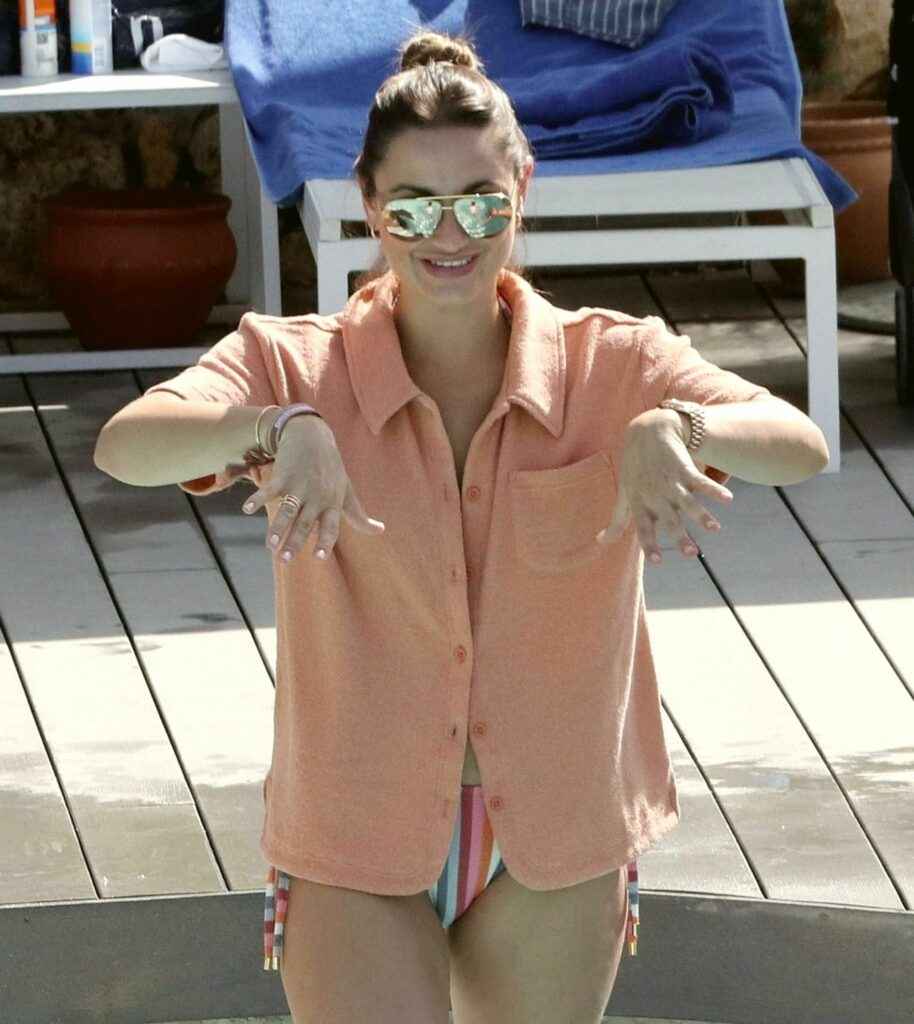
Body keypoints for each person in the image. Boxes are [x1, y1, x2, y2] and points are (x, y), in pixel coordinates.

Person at [93, 27, 830, 1024]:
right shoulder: (292, 362)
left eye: (481, 201)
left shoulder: (613, 363)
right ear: (370, 207)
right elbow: (127, 445)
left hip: (558, 836)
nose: (450, 233)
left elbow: (798, 443)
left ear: (521, 188)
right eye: (414, 206)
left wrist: (681, 426)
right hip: (354, 827)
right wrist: (275, 427)